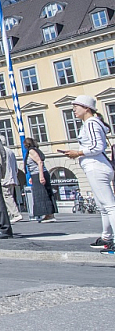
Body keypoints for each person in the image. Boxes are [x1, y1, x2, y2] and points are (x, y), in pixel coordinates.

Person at [59, 95, 114, 252]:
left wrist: (78, 152)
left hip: (96, 166)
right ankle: (106, 237)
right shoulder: (91, 123)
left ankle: (111, 238)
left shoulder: (91, 123)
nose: (74, 110)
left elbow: (97, 146)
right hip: (96, 166)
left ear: (87, 108)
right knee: (103, 206)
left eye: (77, 106)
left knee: (110, 205)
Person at [24, 137, 57, 222]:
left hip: (38, 173)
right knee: (44, 193)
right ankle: (48, 214)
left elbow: (39, 162)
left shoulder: (31, 151)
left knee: (42, 194)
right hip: (36, 174)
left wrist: (41, 176)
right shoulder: (35, 150)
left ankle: (49, 215)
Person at [0, 139, 23, 223]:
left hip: (5, 178)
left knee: (7, 196)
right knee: (10, 196)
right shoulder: (11, 151)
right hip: (12, 177)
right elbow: (15, 166)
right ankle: (10, 215)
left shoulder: (1, 151)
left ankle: (16, 214)